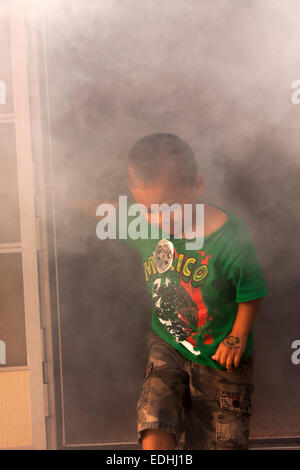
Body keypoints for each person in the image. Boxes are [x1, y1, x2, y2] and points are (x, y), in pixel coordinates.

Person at [71, 132, 269, 450]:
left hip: (220, 357)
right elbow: (106, 210)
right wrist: (57, 197)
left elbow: (251, 290)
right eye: (149, 210)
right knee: (154, 421)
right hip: (169, 345)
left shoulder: (231, 237)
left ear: (198, 185)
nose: (160, 220)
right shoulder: (145, 223)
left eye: (171, 209)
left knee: (220, 440)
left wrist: (238, 336)